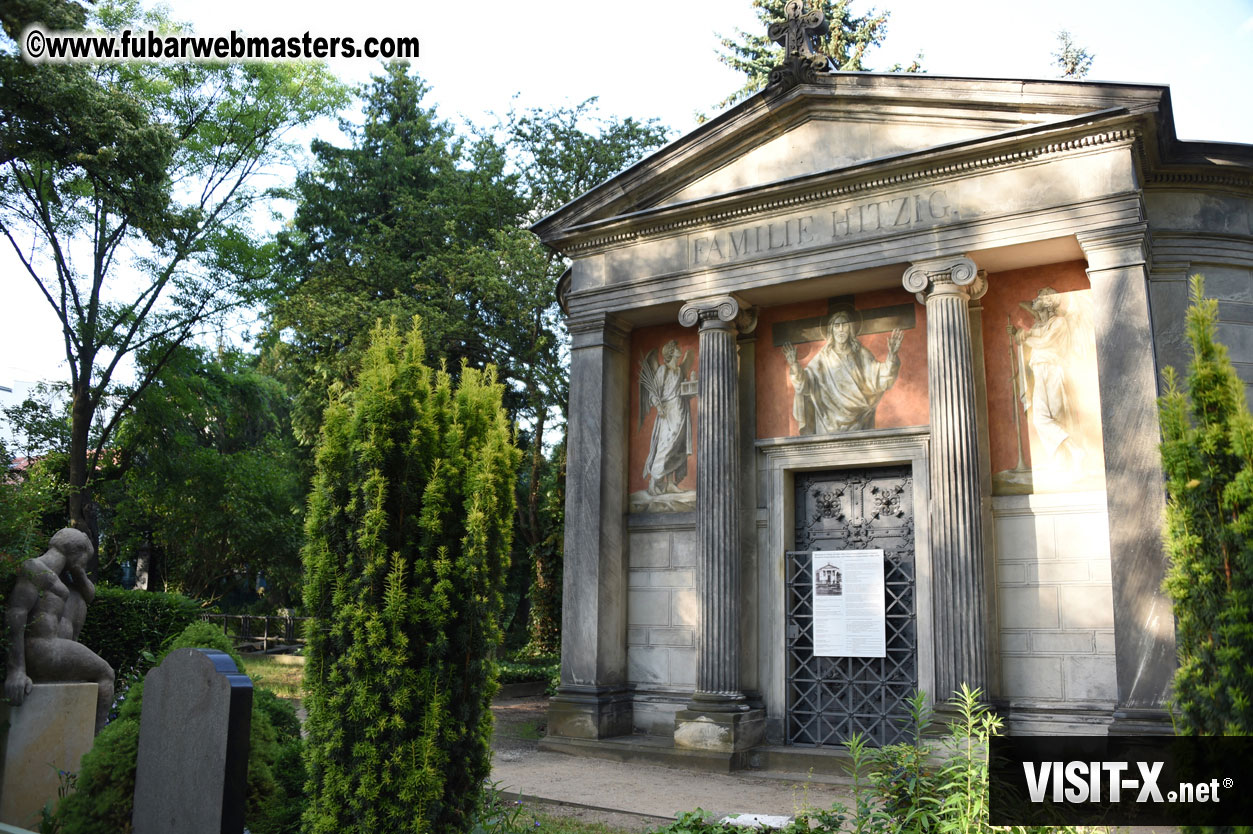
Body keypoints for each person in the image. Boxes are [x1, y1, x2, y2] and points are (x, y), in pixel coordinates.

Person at [4, 528, 115, 734]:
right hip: (40, 649)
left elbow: (89, 595)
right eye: (85, 559)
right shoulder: (35, 568)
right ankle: (99, 743)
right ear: (77, 553)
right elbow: (15, 614)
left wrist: (78, 572)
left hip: (50, 648)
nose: (84, 565)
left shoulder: (62, 580)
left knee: (78, 598)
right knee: (106, 673)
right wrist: (16, 670)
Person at [783, 310, 904, 434]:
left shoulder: (861, 354)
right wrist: (794, 365)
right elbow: (805, 384)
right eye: (837, 326)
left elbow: (880, 377)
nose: (841, 329)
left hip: (859, 420)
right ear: (831, 330)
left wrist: (892, 356)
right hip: (828, 422)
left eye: (844, 325)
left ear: (850, 328)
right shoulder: (823, 358)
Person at [1007, 287, 1085, 473]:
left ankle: (1067, 460)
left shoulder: (1059, 323)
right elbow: (1032, 336)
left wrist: (1023, 337)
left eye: (1040, 297)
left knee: (1058, 416)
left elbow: (1044, 342)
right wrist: (1018, 333)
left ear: (1049, 302)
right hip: (1040, 372)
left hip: (1053, 371)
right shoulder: (1037, 326)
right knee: (1040, 419)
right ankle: (1075, 452)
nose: (1035, 300)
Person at [642, 340, 694, 495]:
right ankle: (654, 481)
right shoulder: (663, 370)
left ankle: (670, 483)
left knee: (678, 447)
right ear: (671, 352)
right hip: (668, 412)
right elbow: (654, 393)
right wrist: (659, 407)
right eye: (677, 348)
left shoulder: (678, 370)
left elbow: (681, 390)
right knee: (665, 447)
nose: (680, 350)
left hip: (681, 410)